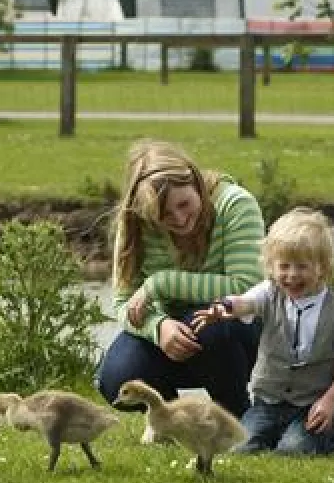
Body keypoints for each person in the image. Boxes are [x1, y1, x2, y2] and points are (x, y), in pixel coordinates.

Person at [94, 139, 265, 441]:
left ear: (196, 181)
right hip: (171, 332)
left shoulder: (236, 204)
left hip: (232, 329)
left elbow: (245, 287)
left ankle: (236, 416)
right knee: (117, 377)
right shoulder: (135, 220)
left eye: (184, 204)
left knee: (213, 328)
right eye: (164, 216)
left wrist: (159, 284)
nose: (179, 219)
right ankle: (171, 420)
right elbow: (123, 302)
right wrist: (157, 327)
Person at [192, 206, 334, 455]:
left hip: (313, 404)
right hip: (268, 403)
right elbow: (244, 303)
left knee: (294, 449)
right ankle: (277, 433)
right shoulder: (269, 293)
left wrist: (330, 400)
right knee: (239, 447)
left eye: (302, 267)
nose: (292, 275)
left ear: (322, 268)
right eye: (284, 266)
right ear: (272, 267)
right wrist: (224, 308)